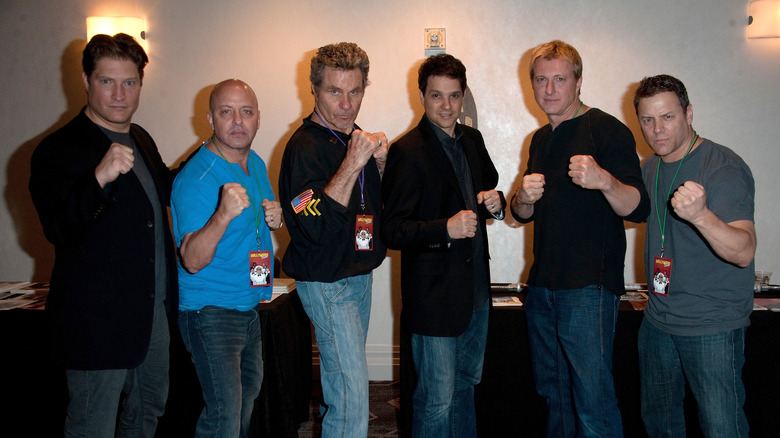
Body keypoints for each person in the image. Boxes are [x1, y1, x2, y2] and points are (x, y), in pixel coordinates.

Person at [28, 33, 177, 438]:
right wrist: (99, 177)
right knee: (92, 425)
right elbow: (57, 227)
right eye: (107, 81)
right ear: (85, 80)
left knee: (147, 414)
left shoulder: (141, 138)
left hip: (151, 312)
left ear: (141, 85)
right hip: (97, 323)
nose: (119, 94)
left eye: (129, 82)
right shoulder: (57, 149)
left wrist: (218, 150)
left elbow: (168, 187)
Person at [510, 40, 649, 437]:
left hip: (589, 287)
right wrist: (522, 197)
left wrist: (605, 181)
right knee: (554, 395)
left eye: (559, 79)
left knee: (593, 401)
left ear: (579, 82)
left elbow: (638, 207)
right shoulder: (538, 139)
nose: (549, 89)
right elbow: (522, 215)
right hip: (543, 286)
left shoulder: (607, 129)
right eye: (541, 80)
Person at [381, 53, 505, 436]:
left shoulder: (473, 140)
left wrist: (495, 203)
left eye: (454, 96)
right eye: (437, 96)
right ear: (421, 96)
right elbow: (393, 230)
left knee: (465, 387)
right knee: (436, 400)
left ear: (463, 95)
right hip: (433, 299)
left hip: (476, 294)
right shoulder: (408, 151)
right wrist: (443, 230)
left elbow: (482, 194)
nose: (447, 106)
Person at [634, 74, 756, 437]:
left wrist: (702, 216)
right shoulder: (650, 167)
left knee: (722, 429)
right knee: (660, 426)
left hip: (712, 325)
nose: (657, 130)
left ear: (689, 113)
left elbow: (744, 252)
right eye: (647, 120)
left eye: (667, 117)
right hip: (657, 321)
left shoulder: (723, 167)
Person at [278, 42, 388, 437]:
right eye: (334, 92)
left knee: (344, 384)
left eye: (355, 91)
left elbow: (374, 208)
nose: (346, 104)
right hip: (327, 284)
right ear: (314, 90)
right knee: (351, 397)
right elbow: (314, 226)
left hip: (358, 275)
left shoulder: (353, 137)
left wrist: (379, 165)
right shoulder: (302, 148)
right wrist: (354, 163)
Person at [171, 79, 283, 437]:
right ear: (210, 118)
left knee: (243, 404)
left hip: (247, 304)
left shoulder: (256, 164)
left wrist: (276, 218)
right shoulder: (197, 178)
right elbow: (190, 259)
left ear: (258, 118)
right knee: (224, 416)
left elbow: (255, 225)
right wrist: (222, 214)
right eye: (226, 112)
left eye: (246, 112)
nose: (238, 121)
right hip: (210, 311)